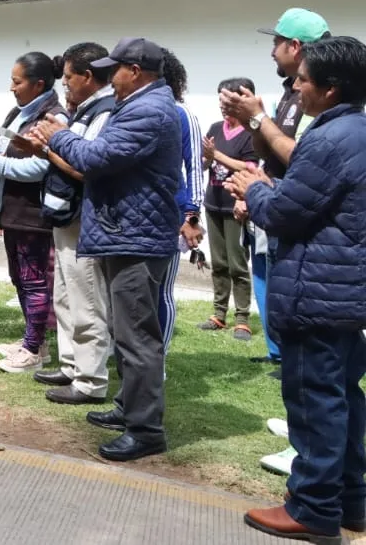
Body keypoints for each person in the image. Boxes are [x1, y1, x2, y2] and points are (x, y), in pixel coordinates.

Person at [228, 36, 366, 543]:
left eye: (303, 80)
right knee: (344, 400)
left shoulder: (327, 139)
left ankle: (311, 509)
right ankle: (351, 502)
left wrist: (254, 190)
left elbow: (287, 215)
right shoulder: (357, 130)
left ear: (330, 89)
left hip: (317, 292)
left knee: (315, 403)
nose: (296, 87)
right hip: (345, 292)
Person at [30, 37, 182, 463]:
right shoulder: (138, 105)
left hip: (137, 235)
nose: (107, 77)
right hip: (128, 229)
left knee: (137, 337)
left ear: (134, 71)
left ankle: (146, 429)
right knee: (125, 331)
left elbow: (96, 158)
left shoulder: (148, 110)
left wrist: (57, 137)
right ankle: (129, 407)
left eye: (113, 69)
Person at [220, 7, 331, 370]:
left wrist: (258, 118)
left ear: (295, 46)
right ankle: (280, 353)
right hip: (278, 197)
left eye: (277, 42)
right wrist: (254, 121)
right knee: (271, 275)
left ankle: (292, 359)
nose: (272, 51)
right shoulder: (291, 91)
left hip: (299, 206)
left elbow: (302, 157)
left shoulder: (320, 95)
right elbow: (269, 150)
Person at [0, 51, 67, 370]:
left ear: (38, 84)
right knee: (19, 276)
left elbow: (40, 167)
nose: (11, 87)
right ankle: (33, 340)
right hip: (11, 208)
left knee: (34, 278)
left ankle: (33, 350)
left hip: (34, 212)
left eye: (17, 81)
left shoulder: (54, 118)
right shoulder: (20, 112)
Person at [33, 43, 117, 405]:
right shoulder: (84, 110)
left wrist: (49, 148)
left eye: (68, 77)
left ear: (87, 76)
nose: (63, 84)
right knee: (64, 295)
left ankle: (90, 380)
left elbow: (89, 169)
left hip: (85, 217)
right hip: (65, 214)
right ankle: (70, 364)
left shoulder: (104, 112)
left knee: (87, 301)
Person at [200, 77, 260, 341]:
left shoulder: (251, 132)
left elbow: (250, 168)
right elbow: (206, 165)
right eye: (220, 100)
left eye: (227, 101)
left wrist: (217, 156)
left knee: (238, 263)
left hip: (236, 206)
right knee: (219, 263)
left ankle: (243, 318)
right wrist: (204, 158)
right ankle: (219, 313)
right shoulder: (215, 127)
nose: (223, 106)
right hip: (213, 203)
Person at [159, 50, 205, 358]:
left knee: (161, 290)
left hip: (173, 214)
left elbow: (194, 165)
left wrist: (191, 214)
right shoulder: (134, 112)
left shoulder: (181, 113)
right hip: (141, 214)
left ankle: (157, 357)